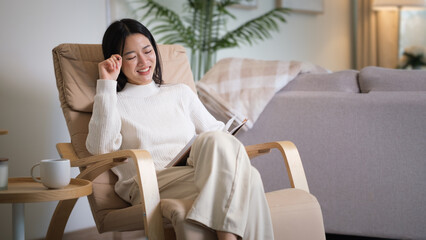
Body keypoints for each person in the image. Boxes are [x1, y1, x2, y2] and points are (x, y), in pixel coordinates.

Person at [86, 18, 273, 240]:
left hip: (192, 172)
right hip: (149, 183)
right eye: (131, 57)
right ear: (116, 60)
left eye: (148, 51)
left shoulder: (180, 93)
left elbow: (216, 134)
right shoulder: (113, 102)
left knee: (215, 140)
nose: (143, 62)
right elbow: (100, 151)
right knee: (249, 178)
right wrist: (106, 84)